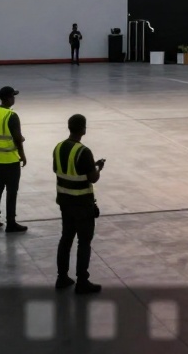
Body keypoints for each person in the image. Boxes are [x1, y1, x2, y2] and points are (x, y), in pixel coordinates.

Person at [55, 114, 103, 294]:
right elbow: (93, 177)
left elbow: (60, 169)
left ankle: (62, 277)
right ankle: (82, 280)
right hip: (82, 204)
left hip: (65, 202)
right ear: (83, 129)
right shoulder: (84, 151)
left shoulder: (58, 147)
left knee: (66, 239)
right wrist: (97, 167)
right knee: (84, 242)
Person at [0, 86, 28, 233]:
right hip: (10, 159)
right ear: (8, 98)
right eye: (13, 96)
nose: (14, 99)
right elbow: (18, 138)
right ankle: (11, 222)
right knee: (12, 191)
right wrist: (23, 155)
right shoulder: (12, 115)